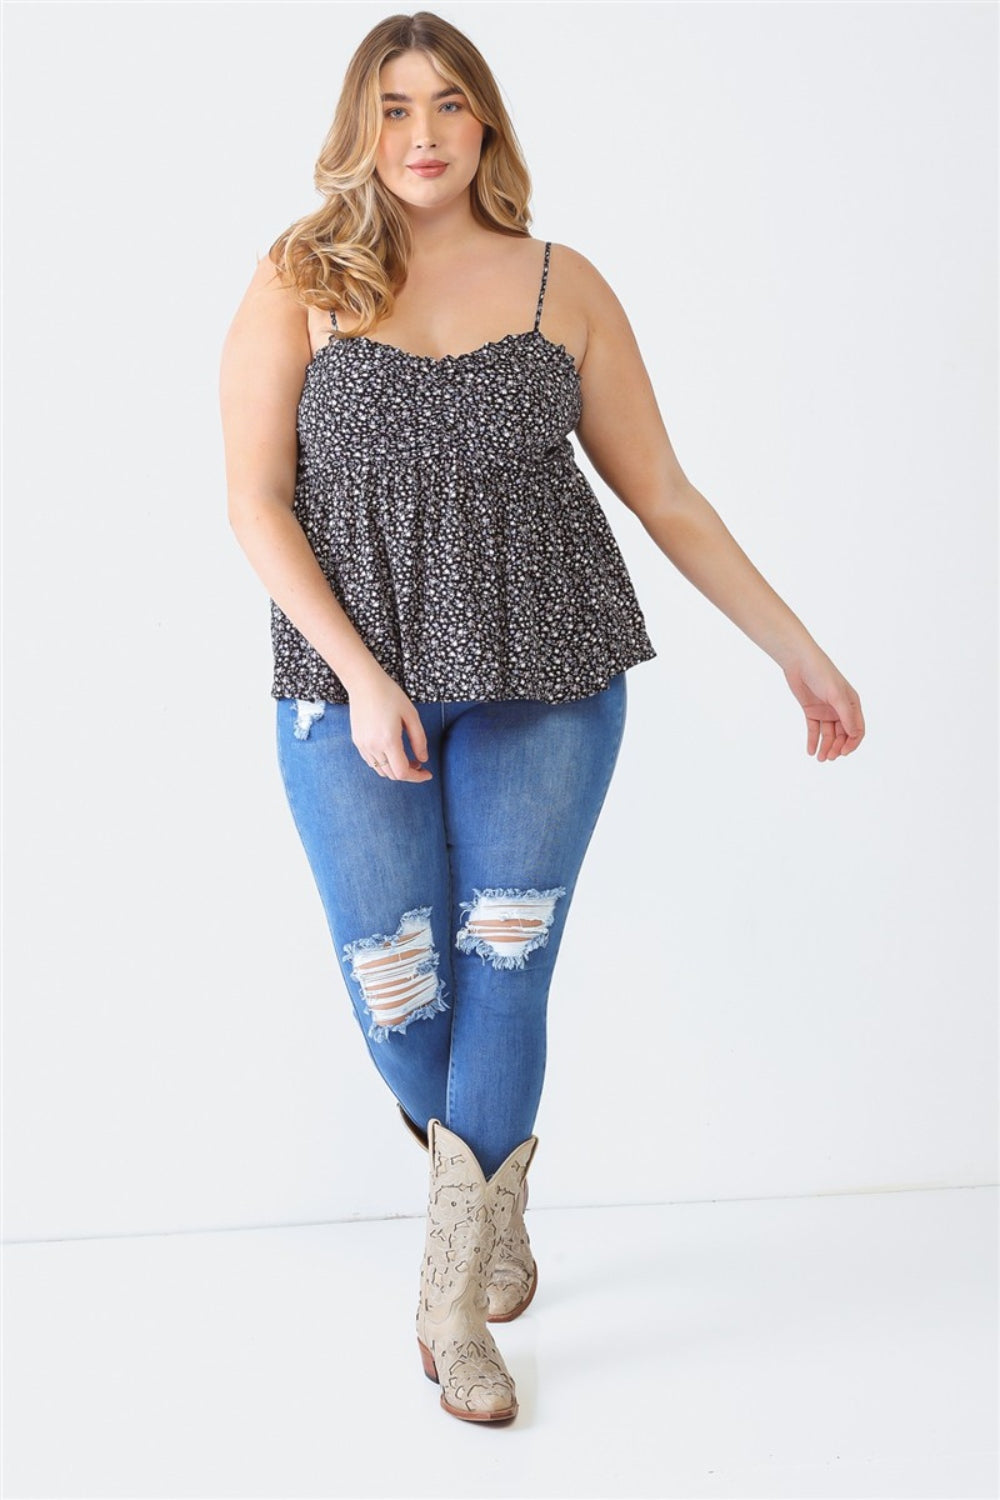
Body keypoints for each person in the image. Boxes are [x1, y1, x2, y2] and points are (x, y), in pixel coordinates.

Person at [218, 9, 866, 1428]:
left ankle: (452, 1307)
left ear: (489, 123)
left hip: (552, 674)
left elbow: (667, 497)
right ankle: (492, 1182)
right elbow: (256, 504)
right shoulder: (300, 278)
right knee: (399, 989)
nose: (425, 134)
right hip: (349, 686)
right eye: (393, 109)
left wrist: (796, 654)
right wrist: (369, 678)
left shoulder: (561, 285)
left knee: (504, 969)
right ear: (358, 127)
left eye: (449, 105)